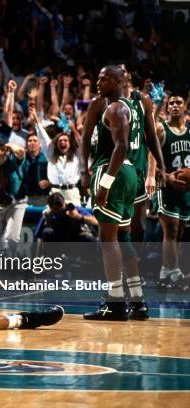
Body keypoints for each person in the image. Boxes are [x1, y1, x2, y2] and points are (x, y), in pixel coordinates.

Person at [81, 66, 146, 321]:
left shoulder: (115, 107)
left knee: (108, 241)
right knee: (124, 238)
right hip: (128, 174)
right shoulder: (127, 107)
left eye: (104, 78)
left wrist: (105, 183)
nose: (98, 82)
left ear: (120, 81)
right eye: (97, 77)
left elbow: (121, 146)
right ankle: (138, 303)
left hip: (113, 171)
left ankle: (115, 303)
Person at [148, 95, 190, 289]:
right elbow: (151, 159)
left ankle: (166, 271)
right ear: (167, 107)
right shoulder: (160, 129)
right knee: (170, 230)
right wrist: (166, 177)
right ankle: (176, 273)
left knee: (180, 231)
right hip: (164, 185)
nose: (174, 106)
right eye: (171, 103)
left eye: (178, 103)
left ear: (185, 107)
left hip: (185, 188)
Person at [0, 139, 27, 256]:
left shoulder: (14, 158)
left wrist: (9, 145)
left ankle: (14, 258)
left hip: (16, 202)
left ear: (5, 152)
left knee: (11, 238)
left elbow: (21, 151)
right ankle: (3, 261)